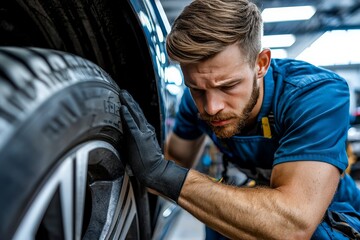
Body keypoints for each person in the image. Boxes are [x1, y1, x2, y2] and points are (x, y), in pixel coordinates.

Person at [119, 0, 360, 239]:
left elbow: (293, 225)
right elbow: (175, 161)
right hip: (263, 199)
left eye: (228, 86)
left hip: (332, 217)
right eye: (197, 89)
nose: (211, 108)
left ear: (261, 64)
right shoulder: (193, 103)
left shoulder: (314, 95)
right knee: (218, 215)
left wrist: (163, 174)